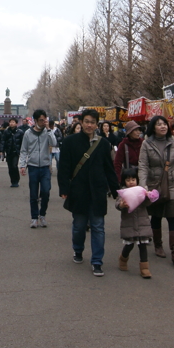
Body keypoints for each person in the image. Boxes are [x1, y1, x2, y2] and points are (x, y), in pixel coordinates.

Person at [58, 108, 118, 276]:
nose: (89, 125)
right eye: (87, 122)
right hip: (78, 191)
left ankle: (97, 261)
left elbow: (109, 169)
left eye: (93, 122)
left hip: (98, 191)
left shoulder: (104, 144)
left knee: (98, 227)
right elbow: (64, 167)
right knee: (79, 226)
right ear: (81, 122)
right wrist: (64, 188)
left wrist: (116, 191)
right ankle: (78, 250)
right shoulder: (70, 142)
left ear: (97, 124)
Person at [138, 115, 174, 266]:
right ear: (153, 127)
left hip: (173, 184)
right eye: (159, 124)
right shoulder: (147, 144)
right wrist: (143, 186)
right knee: (157, 216)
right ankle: (158, 245)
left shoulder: (173, 143)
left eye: (165, 124)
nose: (163, 127)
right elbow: (143, 166)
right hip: (155, 185)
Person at [19, 108, 55, 228]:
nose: (43, 122)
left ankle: (42, 214)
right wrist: (22, 165)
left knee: (46, 191)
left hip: (45, 166)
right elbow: (23, 150)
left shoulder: (47, 132)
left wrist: (49, 129)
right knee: (33, 194)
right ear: (35, 121)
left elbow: (54, 143)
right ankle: (34, 218)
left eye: (45, 120)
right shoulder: (28, 134)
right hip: (33, 166)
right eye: (41, 120)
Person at [116, 169, 153, 279]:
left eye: (133, 179)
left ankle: (144, 268)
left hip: (142, 223)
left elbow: (147, 204)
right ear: (124, 182)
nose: (131, 182)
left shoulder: (141, 190)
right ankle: (123, 258)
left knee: (142, 245)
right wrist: (122, 205)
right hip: (129, 224)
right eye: (128, 180)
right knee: (129, 245)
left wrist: (148, 196)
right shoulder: (123, 193)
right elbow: (118, 204)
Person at [3, 116, 22, 188]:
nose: (11, 123)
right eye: (10, 122)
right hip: (9, 152)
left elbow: (22, 142)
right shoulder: (6, 131)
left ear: (16, 124)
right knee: (10, 167)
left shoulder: (20, 132)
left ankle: (16, 180)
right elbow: (3, 141)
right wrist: (2, 150)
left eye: (13, 122)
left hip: (16, 152)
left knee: (14, 166)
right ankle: (12, 181)